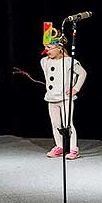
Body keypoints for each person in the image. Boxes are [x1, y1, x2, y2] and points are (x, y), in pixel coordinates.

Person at [40, 22, 87, 160]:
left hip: (65, 98)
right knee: (55, 124)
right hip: (51, 98)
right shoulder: (44, 62)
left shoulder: (69, 62)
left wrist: (75, 89)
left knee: (68, 124)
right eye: (45, 47)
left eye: (50, 47)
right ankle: (59, 146)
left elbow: (83, 73)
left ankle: (73, 148)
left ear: (60, 48)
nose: (46, 50)